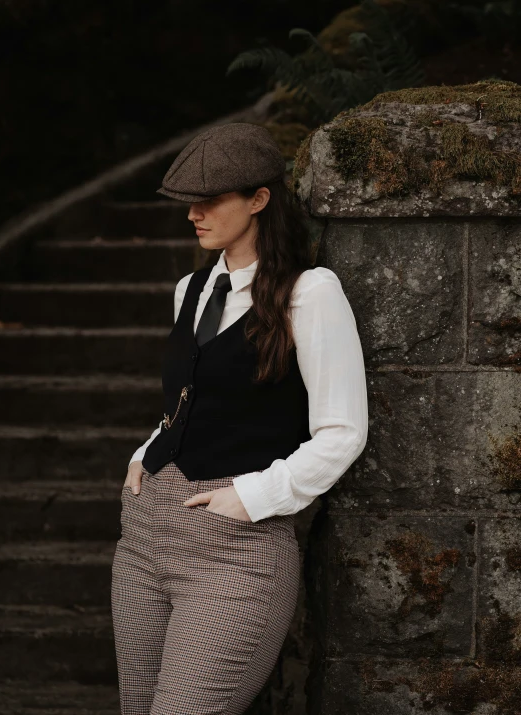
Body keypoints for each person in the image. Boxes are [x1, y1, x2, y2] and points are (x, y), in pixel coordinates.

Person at [111, 122, 368, 714]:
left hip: (237, 552)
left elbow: (343, 431)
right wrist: (144, 453)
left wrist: (254, 496)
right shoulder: (192, 288)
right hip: (145, 544)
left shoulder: (310, 292)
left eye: (211, 200)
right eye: (188, 203)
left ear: (259, 199)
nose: (194, 215)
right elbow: (193, 397)